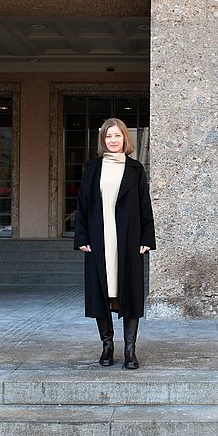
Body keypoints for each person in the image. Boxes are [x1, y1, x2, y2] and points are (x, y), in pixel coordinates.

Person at [74, 118, 156, 370]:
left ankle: (130, 350)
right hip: (99, 238)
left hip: (128, 238)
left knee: (130, 292)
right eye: (108, 136)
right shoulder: (92, 168)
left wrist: (146, 237)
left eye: (117, 136)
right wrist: (82, 236)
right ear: (103, 140)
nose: (113, 140)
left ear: (124, 139)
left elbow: (144, 204)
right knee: (101, 294)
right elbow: (82, 205)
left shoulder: (135, 169)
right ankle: (107, 345)